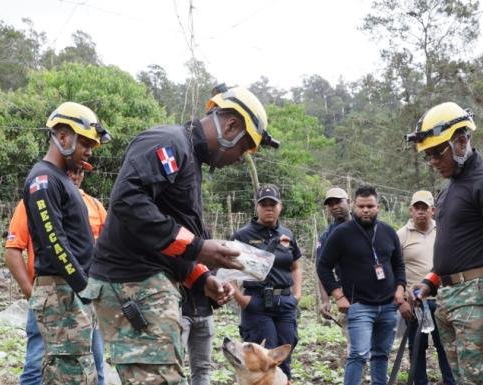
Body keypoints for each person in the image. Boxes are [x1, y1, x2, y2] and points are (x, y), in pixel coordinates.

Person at [86, 84, 279, 384]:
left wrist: (200, 278)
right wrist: (199, 247)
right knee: (159, 378)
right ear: (231, 126)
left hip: (147, 282)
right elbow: (128, 201)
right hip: (131, 282)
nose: (240, 158)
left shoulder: (190, 159)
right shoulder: (169, 142)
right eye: (243, 148)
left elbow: (166, 238)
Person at [406, 101, 483, 385]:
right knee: (461, 379)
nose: (433, 161)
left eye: (436, 152)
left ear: (461, 140)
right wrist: (431, 280)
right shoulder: (449, 190)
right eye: (427, 155)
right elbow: (459, 248)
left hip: (479, 299)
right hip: (449, 298)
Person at [21, 101, 110, 384]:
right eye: (85, 143)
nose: (89, 151)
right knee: (69, 373)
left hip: (74, 289)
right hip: (62, 290)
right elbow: (55, 243)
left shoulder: (62, 180)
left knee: (79, 369)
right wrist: (85, 287)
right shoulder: (43, 180)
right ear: (62, 136)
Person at [5, 161, 107, 385]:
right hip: (50, 294)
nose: (76, 175)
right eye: (71, 170)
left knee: (95, 364)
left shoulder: (94, 205)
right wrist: (30, 293)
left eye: (80, 171)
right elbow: (13, 250)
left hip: (88, 298)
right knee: (37, 364)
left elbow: (107, 250)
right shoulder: (37, 196)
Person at [317, 185, 406, 385]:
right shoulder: (341, 234)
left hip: (388, 306)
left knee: (381, 354)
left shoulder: (388, 232)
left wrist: (400, 289)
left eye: (370, 206)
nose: (366, 210)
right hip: (359, 306)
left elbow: (399, 265)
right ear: (354, 206)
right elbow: (323, 266)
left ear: (378, 207)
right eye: (361, 206)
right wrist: (338, 295)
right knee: (358, 354)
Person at [232, 184, 302, 379]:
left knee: (283, 359)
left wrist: (297, 295)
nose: (269, 208)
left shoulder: (287, 234)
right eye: (264, 204)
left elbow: (295, 267)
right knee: (261, 360)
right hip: (257, 303)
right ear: (257, 207)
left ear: (280, 206)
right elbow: (227, 271)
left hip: (285, 302)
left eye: (273, 204)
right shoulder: (242, 236)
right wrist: (241, 299)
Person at [396, 190, 455, 385]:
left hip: (443, 300)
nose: (420, 212)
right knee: (416, 347)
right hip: (415, 302)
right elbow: (395, 269)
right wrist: (402, 299)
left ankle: (450, 381)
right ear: (411, 210)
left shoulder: (445, 231)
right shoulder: (401, 235)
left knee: (446, 346)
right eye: (417, 208)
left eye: (425, 208)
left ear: (433, 210)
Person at [317, 187, 351, 325]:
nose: (335, 206)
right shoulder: (327, 236)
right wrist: (326, 300)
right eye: (331, 204)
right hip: (348, 294)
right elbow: (322, 269)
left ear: (349, 202)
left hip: (374, 293)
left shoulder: (365, 225)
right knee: (356, 343)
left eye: (338, 202)